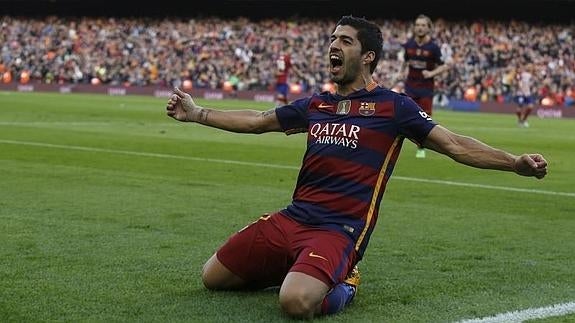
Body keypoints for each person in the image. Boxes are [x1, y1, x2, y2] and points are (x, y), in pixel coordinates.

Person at [165, 15, 548, 320]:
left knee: (296, 304)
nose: (334, 45)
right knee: (212, 278)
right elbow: (258, 119)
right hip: (294, 218)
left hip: (337, 230)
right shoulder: (317, 104)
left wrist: (514, 163)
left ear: (368, 56)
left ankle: (344, 279)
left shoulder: (394, 108)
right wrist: (198, 113)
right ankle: (298, 268)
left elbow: (454, 145)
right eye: (332, 39)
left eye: (345, 41)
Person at [394, 14, 452, 158]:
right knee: (404, 117)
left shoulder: (433, 47)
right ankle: (398, 143)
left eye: (423, 25)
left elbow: (446, 66)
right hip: (410, 86)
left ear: (429, 28)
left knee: (425, 120)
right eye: (417, 25)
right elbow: (405, 61)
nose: (420, 28)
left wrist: (432, 73)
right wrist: (401, 72)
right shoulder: (409, 45)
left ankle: (421, 146)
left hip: (426, 89)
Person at [514, 63, 536, 127]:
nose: (530, 67)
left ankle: (524, 120)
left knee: (530, 107)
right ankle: (520, 120)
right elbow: (517, 81)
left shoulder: (530, 75)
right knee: (518, 110)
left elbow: (530, 83)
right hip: (521, 94)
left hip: (527, 93)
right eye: (529, 66)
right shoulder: (521, 74)